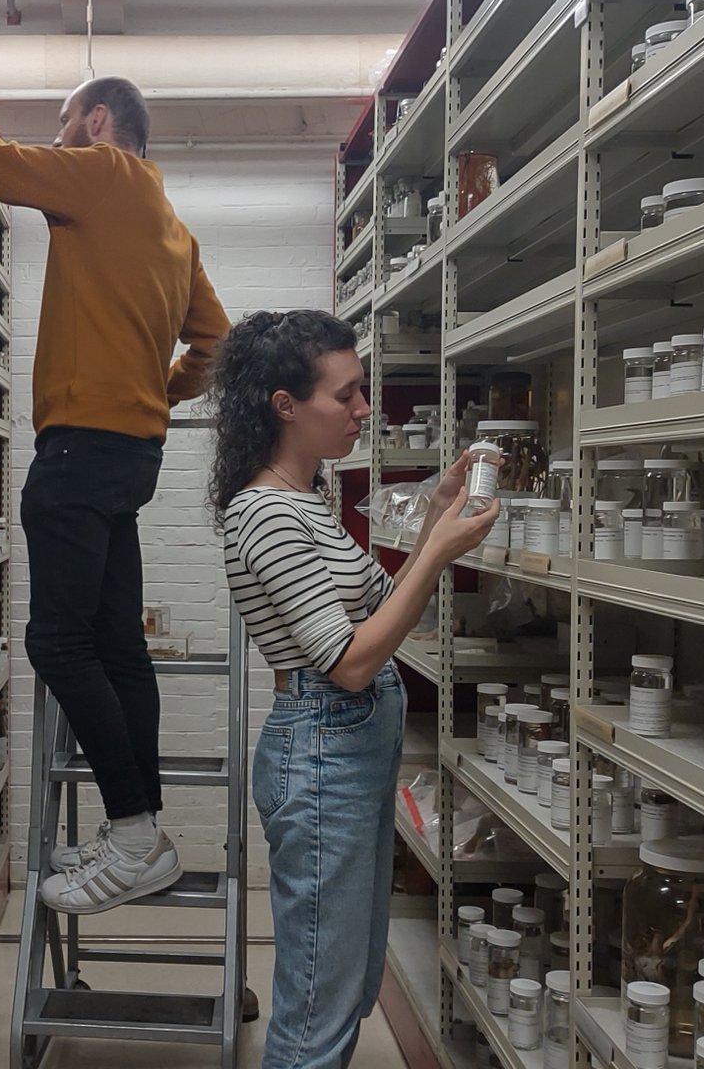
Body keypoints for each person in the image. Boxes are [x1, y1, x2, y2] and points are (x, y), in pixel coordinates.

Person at [0, 77, 230, 915]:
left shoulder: (103, 171)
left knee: (57, 645)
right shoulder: (175, 234)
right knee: (117, 646)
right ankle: (140, 833)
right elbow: (214, 342)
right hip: (130, 456)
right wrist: (157, 391)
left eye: (65, 119)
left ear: (100, 122)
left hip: (76, 451)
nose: (61, 135)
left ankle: (136, 831)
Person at [208, 310, 499, 1069]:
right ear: (285, 406)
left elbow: (375, 608)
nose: (365, 410)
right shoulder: (265, 512)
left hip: (348, 750)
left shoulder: (308, 503)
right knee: (317, 1007)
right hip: (322, 755)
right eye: (347, 395)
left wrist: (433, 518)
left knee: (346, 980)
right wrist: (436, 555)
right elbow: (352, 661)